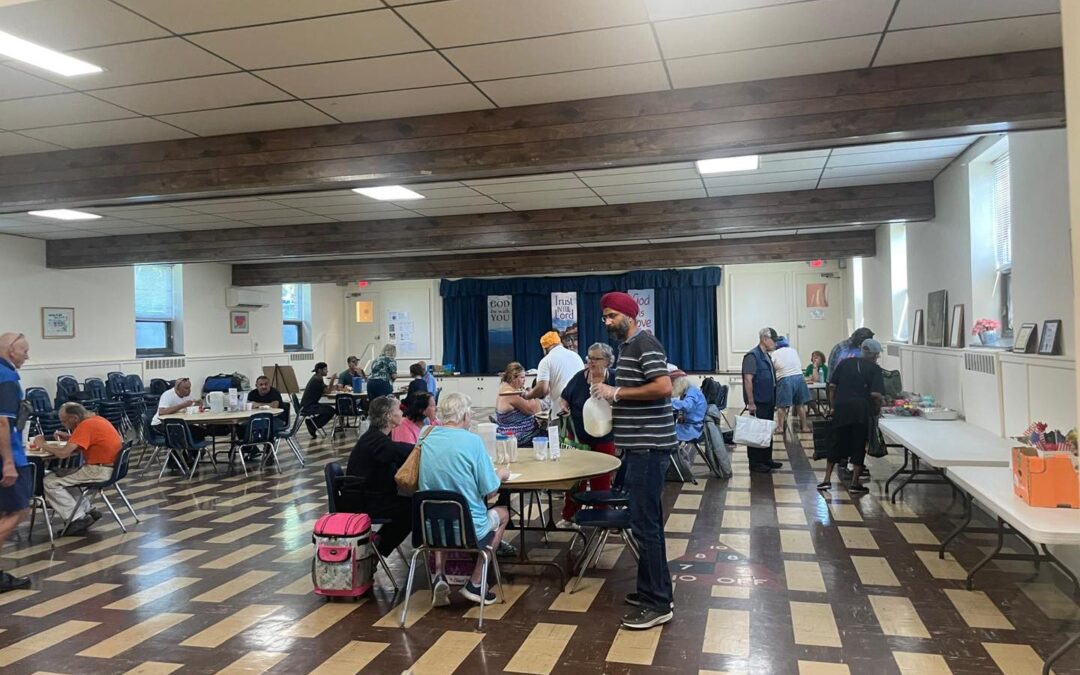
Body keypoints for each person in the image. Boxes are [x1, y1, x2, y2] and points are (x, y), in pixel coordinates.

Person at [591, 291, 676, 630]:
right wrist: (607, 389)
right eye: (605, 317)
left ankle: (658, 602)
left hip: (649, 448)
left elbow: (664, 386)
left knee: (646, 526)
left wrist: (618, 393)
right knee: (643, 523)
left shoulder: (645, 344)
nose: (608, 322)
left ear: (629, 315)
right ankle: (648, 591)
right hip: (637, 447)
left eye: (612, 316)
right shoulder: (628, 349)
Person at [419, 393, 510, 607]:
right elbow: (490, 490)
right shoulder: (473, 441)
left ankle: (439, 575)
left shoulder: (425, 434)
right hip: (469, 528)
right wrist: (500, 474)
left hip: (429, 528)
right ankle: (476, 582)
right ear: (466, 415)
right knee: (503, 513)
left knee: (442, 510)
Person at [341, 396, 415, 558]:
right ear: (388, 416)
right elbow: (400, 451)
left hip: (366, 495)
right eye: (398, 410)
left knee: (410, 505)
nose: (401, 412)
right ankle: (377, 551)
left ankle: (379, 543)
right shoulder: (377, 440)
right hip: (363, 500)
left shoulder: (375, 437)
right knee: (414, 509)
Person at [34, 402, 121, 535]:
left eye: (64, 421)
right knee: (63, 477)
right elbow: (90, 439)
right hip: (111, 468)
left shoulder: (86, 425)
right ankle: (87, 510)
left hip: (99, 470)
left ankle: (76, 518)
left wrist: (42, 444)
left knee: (49, 482)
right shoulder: (97, 419)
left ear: (74, 418)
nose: (63, 425)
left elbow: (63, 454)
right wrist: (70, 437)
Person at [556, 342, 617, 528]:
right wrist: (564, 405)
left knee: (602, 479)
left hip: (604, 436)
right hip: (579, 437)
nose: (590, 362)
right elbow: (564, 397)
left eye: (595, 358)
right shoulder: (579, 378)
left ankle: (602, 515)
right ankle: (570, 515)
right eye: (589, 358)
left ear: (607, 361)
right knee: (576, 479)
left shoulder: (614, 379)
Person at [818, 339, 885, 495]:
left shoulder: (845, 363)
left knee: (836, 441)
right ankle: (855, 483)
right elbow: (875, 394)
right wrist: (879, 407)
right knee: (858, 444)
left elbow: (832, 387)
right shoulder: (875, 369)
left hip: (841, 408)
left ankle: (826, 479)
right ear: (875, 355)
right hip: (861, 411)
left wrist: (833, 407)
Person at [0, 332, 32, 592]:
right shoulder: (8, 377)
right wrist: (8, 462)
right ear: (12, 350)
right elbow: (2, 421)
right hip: (7, 455)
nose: (27, 356)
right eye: (24, 351)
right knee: (19, 511)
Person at [742, 327, 781, 474]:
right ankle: (756, 462)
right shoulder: (752, 356)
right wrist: (751, 402)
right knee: (756, 432)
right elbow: (748, 380)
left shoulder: (767, 356)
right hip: (758, 401)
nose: (775, 343)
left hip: (768, 400)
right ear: (764, 339)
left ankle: (766, 459)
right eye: (773, 340)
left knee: (766, 431)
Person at [523, 331, 583, 411]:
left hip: (561, 410)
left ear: (544, 348)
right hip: (580, 407)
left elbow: (542, 389)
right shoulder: (576, 356)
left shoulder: (546, 361)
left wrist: (528, 395)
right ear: (560, 343)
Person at [495, 362, 542, 446]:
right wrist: (533, 394)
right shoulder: (511, 394)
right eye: (522, 377)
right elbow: (534, 410)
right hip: (520, 436)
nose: (525, 380)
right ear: (513, 378)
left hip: (507, 431)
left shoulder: (504, 388)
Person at [771, 337, 811, 434]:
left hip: (785, 379)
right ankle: (805, 427)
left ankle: (780, 428)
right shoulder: (793, 351)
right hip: (799, 377)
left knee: (782, 406)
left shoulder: (775, 353)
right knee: (800, 405)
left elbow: (772, 367)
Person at [300, 362, 336, 437]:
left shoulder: (316, 377)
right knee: (331, 411)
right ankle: (312, 424)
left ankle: (312, 423)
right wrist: (332, 380)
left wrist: (336, 387)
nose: (327, 371)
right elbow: (328, 391)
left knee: (329, 409)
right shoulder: (317, 379)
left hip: (308, 405)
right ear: (320, 370)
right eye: (325, 369)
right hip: (308, 406)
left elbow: (325, 389)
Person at [670, 369, 706, 443]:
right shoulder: (690, 390)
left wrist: (669, 401)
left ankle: (672, 453)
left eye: (672, 384)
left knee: (664, 433)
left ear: (678, 383)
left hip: (693, 429)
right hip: (692, 426)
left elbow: (687, 406)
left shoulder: (692, 392)